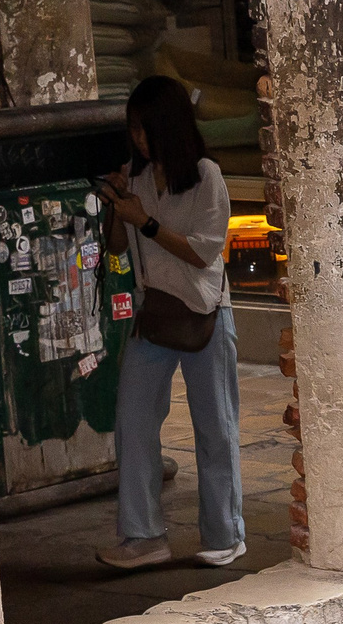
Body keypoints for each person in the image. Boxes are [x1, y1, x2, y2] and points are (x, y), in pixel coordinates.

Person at [95, 75, 241, 571]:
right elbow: (117, 247)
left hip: (204, 315)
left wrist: (147, 223)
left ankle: (225, 534)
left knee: (214, 427)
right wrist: (118, 206)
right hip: (153, 315)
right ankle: (143, 536)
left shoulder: (207, 177)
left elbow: (203, 253)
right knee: (133, 421)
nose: (139, 139)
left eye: (147, 129)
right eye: (133, 130)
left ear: (170, 127)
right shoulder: (135, 179)